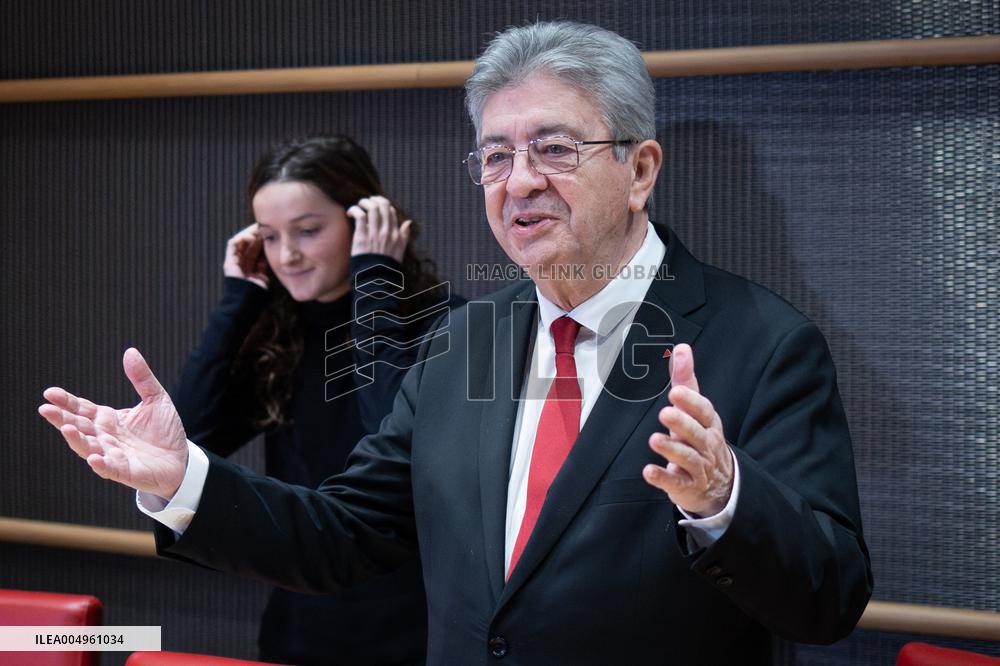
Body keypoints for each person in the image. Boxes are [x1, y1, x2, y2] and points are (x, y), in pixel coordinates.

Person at [40, 21, 873, 665]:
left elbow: (830, 599)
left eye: (553, 148)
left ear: (641, 168)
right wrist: (184, 477)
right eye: (495, 155)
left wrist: (726, 501)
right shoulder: (462, 341)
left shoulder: (762, 342)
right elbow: (347, 533)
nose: (519, 181)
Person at [172, 134, 450, 665]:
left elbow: (386, 423)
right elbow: (185, 441)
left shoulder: (443, 323)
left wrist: (374, 279)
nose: (287, 255)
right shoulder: (278, 333)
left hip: (412, 628)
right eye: (270, 238)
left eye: (307, 231)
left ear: (366, 222)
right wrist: (237, 302)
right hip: (300, 626)